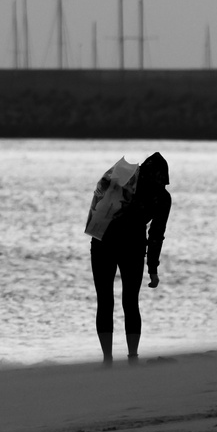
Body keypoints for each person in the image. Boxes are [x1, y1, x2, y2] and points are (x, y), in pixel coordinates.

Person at [88, 152, 171, 363]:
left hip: (103, 243)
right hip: (130, 247)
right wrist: (152, 268)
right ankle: (131, 356)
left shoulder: (124, 182)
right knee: (130, 302)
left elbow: (100, 204)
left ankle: (108, 359)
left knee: (105, 300)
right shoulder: (161, 197)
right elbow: (156, 235)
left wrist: (152, 267)